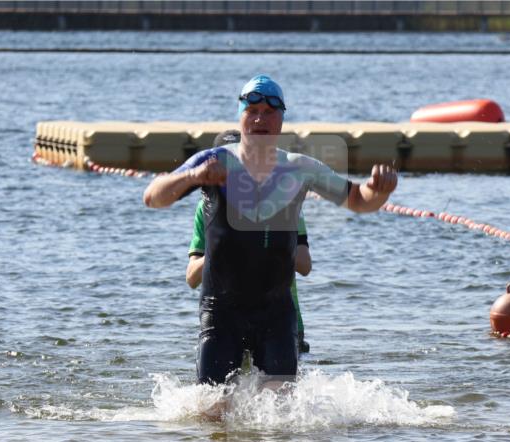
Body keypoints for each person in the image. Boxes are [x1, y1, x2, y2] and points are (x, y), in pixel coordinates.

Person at [144, 74, 397, 388]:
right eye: (252, 111)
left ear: (281, 120)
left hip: (276, 312)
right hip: (221, 311)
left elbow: (359, 200)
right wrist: (193, 176)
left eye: (269, 111)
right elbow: (152, 197)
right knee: (210, 414)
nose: (260, 118)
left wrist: (379, 190)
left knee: (281, 419)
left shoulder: (300, 169)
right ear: (240, 117)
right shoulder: (214, 160)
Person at [187, 129, 313, 354]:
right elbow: (191, 278)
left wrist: (263, 243)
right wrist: (221, 247)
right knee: (220, 390)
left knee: (276, 389)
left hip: (278, 319)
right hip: (226, 317)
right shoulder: (205, 209)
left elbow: (304, 266)